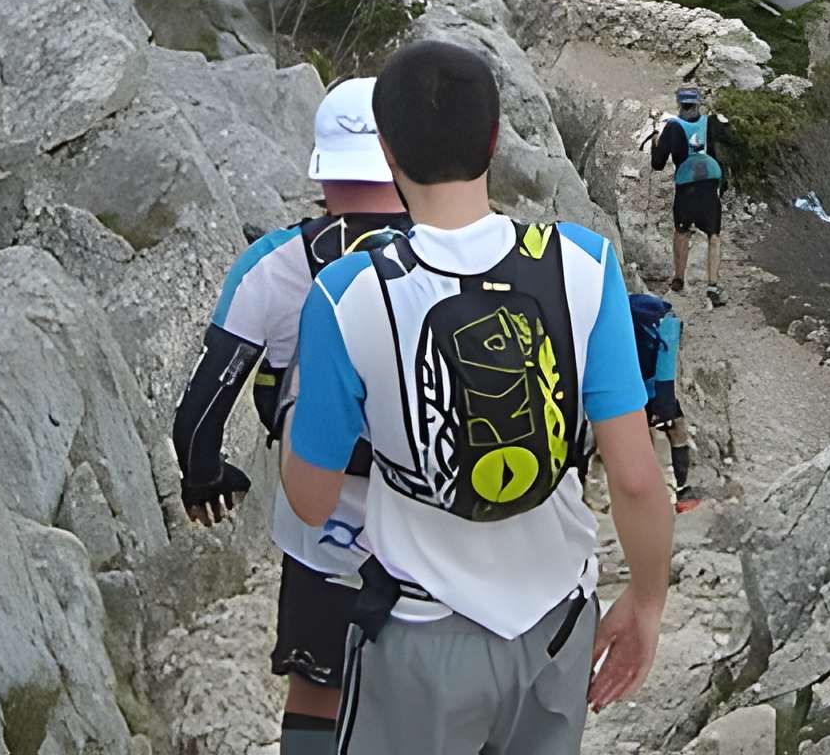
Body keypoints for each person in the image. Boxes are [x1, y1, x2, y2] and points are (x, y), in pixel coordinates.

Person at [283, 38, 675, 754]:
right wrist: (646, 603)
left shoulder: (346, 295)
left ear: (389, 153)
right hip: (556, 633)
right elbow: (636, 476)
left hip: (421, 642)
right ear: (494, 139)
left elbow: (310, 501)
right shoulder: (584, 266)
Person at [168, 75, 409, 755]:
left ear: (321, 167)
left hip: (321, 524)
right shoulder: (456, 254)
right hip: (434, 520)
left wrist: (204, 478)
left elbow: (200, 414)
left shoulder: (272, 265)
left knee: (316, 684)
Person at [646, 84, 732, 305]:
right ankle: (712, 285)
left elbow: (657, 164)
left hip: (686, 187)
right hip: (709, 184)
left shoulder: (673, 127)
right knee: (714, 236)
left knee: (681, 231)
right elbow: (729, 138)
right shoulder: (711, 123)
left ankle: (678, 278)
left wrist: (656, 142)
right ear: (698, 102)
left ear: (679, 104)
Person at [628, 289, 700, 512]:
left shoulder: (631, 321)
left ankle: (651, 495)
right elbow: (665, 372)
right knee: (676, 430)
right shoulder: (665, 329)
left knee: (647, 437)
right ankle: (678, 491)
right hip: (647, 390)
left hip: (635, 388)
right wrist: (664, 408)